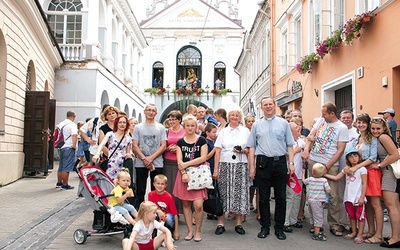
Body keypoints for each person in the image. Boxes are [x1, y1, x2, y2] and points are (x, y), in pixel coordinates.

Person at [247, 97, 295, 240]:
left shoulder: (283, 123)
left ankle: (279, 228)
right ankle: (265, 226)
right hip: (263, 163)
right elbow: (251, 147)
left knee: (281, 197)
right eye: (265, 105)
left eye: (270, 104)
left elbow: (290, 145)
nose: (268, 107)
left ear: (274, 106)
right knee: (264, 197)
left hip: (280, 162)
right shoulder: (256, 125)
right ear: (261, 107)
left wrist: (291, 163)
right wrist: (252, 166)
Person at [302, 102, 349, 237]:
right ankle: (316, 224)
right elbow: (310, 137)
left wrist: (327, 166)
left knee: (332, 195)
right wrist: (306, 150)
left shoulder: (341, 128)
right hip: (314, 161)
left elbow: (340, 150)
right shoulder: (321, 121)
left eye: (324, 113)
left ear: (332, 114)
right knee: (314, 195)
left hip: (329, 164)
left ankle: (334, 224)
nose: (322, 116)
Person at [345, 113, 382, 243]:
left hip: (370, 172)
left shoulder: (371, 138)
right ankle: (371, 230)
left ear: (368, 123)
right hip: (361, 172)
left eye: (363, 122)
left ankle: (379, 233)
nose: (361, 125)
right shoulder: (356, 139)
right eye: (359, 122)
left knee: (376, 203)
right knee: (369, 205)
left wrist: (356, 167)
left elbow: (372, 157)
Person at [213, 108, 250, 236]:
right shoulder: (223, 131)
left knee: (239, 193)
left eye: (237, 115)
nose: (234, 117)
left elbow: (250, 150)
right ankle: (220, 223)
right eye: (232, 115)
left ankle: (238, 223)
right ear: (228, 118)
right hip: (225, 164)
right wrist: (216, 169)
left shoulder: (246, 131)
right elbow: (217, 151)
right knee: (223, 193)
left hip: (241, 164)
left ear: (240, 118)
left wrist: (243, 151)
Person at [172, 115, 208, 242]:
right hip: (184, 176)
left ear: (196, 126)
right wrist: (183, 172)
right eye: (188, 125)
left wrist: (186, 164)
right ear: (184, 126)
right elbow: (179, 160)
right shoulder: (180, 142)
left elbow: (203, 157)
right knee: (186, 204)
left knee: (198, 205)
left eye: (193, 125)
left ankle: (198, 230)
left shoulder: (202, 140)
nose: (190, 128)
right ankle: (190, 231)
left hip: (198, 175)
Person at [368, 117, 400, 247]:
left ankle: (396, 238)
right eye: (373, 128)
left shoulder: (383, 137)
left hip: (388, 172)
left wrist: (380, 165)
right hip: (388, 172)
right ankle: (395, 235)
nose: (375, 131)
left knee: (391, 205)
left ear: (384, 128)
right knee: (395, 206)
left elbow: (395, 155)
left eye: (378, 128)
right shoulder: (381, 137)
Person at [325, 148, 367, 244]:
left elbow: (365, 183)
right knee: (351, 216)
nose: (353, 159)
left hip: (358, 196)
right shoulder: (346, 169)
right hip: (348, 197)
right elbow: (336, 177)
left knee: (360, 216)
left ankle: (360, 234)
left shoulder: (362, 169)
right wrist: (325, 174)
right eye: (351, 157)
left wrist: (362, 197)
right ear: (348, 159)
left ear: (359, 157)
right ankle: (354, 232)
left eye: (355, 156)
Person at [133, 104, 167, 204]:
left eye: (153, 110)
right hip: (140, 162)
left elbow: (163, 145)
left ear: (156, 113)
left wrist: (150, 158)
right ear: (145, 111)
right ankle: (140, 210)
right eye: (149, 110)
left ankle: (155, 210)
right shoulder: (138, 127)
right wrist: (144, 158)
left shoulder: (160, 127)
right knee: (140, 189)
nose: (151, 112)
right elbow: (135, 145)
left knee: (157, 188)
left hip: (157, 161)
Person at [93, 115, 133, 180]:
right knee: (110, 185)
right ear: (116, 124)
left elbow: (128, 152)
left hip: (123, 166)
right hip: (111, 164)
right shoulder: (110, 134)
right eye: (120, 122)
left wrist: (129, 154)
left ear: (127, 124)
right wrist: (97, 154)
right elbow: (102, 144)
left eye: (124, 122)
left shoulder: (128, 138)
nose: (122, 124)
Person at [338, 110, 359, 230]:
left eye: (348, 117)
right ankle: (342, 222)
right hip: (340, 169)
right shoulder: (339, 131)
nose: (346, 119)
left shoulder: (356, 133)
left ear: (352, 119)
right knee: (341, 196)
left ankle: (354, 225)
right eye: (344, 117)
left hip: (354, 171)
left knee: (353, 198)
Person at [283, 122, 305, 232]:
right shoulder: (286, 142)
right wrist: (295, 151)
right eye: (296, 127)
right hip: (290, 174)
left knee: (297, 197)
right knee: (289, 198)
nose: (299, 128)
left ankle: (293, 220)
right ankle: (285, 221)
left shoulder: (301, 141)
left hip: (299, 174)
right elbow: (285, 157)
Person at [163, 110, 185, 214]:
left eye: (174, 119)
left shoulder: (184, 131)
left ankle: (183, 211)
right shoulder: (166, 131)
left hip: (181, 162)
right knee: (170, 187)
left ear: (179, 120)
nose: (171, 121)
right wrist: (167, 149)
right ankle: (171, 211)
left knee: (182, 188)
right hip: (168, 161)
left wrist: (179, 149)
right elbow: (162, 146)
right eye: (170, 119)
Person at [303, 163, 331, 241]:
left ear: (312, 172)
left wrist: (303, 173)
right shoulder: (324, 180)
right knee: (318, 216)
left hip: (310, 200)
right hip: (318, 201)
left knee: (312, 214)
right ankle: (316, 233)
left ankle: (313, 227)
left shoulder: (310, 179)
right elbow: (328, 190)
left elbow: (304, 181)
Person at [148, 174, 179, 240]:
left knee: (169, 219)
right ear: (154, 184)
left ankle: (169, 232)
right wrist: (158, 211)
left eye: (162, 184)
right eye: (158, 183)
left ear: (165, 185)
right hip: (156, 214)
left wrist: (176, 231)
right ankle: (153, 230)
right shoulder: (150, 194)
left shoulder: (169, 197)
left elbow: (175, 214)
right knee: (150, 214)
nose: (160, 186)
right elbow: (150, 208)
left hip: (166, 216)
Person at [56, 110, 78, 190]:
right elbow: (74, 135)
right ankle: (65, 184)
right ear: (73, 116)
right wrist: (74, 145)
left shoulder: (61, 124)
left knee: (61, 166)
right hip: (69, 147)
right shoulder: (72, 125)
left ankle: (59, 182)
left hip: (61, 147)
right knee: (67, 167)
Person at [205, 123, 218, 220]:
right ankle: (210, 211)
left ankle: (213, 210)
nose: (215, 134)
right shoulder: (206, 142)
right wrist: (215, 149)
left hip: (214, 166)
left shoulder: (213, 142)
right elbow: (206, 156)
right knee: (209, 191)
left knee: (214, 190)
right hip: (209, 167)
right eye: (213, 132)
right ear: (207, 132)